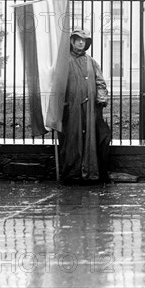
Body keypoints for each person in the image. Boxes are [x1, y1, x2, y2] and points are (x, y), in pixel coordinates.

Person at [57, 29, 111, 183]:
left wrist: (101, 99)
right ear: (72, 42)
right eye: (78, 39)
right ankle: (72, 174)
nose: (81, 42)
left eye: (84, 40)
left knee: (91, 140)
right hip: (70, 108)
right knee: (71, 140)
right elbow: (58, 84)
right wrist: (60, 103)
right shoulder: (64, 61)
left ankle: (91, 173)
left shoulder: (91, 61)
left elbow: (100, 82)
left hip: (90, 109)